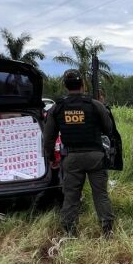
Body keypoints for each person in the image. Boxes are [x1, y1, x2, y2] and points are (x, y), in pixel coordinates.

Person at [43, 69, 115, 235]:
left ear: (65, 86)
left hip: (72, 158)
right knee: (101, 194)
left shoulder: (57, 108)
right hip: (95, 156)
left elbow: (48, 138)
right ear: (82, 85)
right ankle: (107, 229)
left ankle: (70, 231)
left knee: (71, 196)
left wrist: (51, 157)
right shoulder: (95, 105)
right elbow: (108, 129)